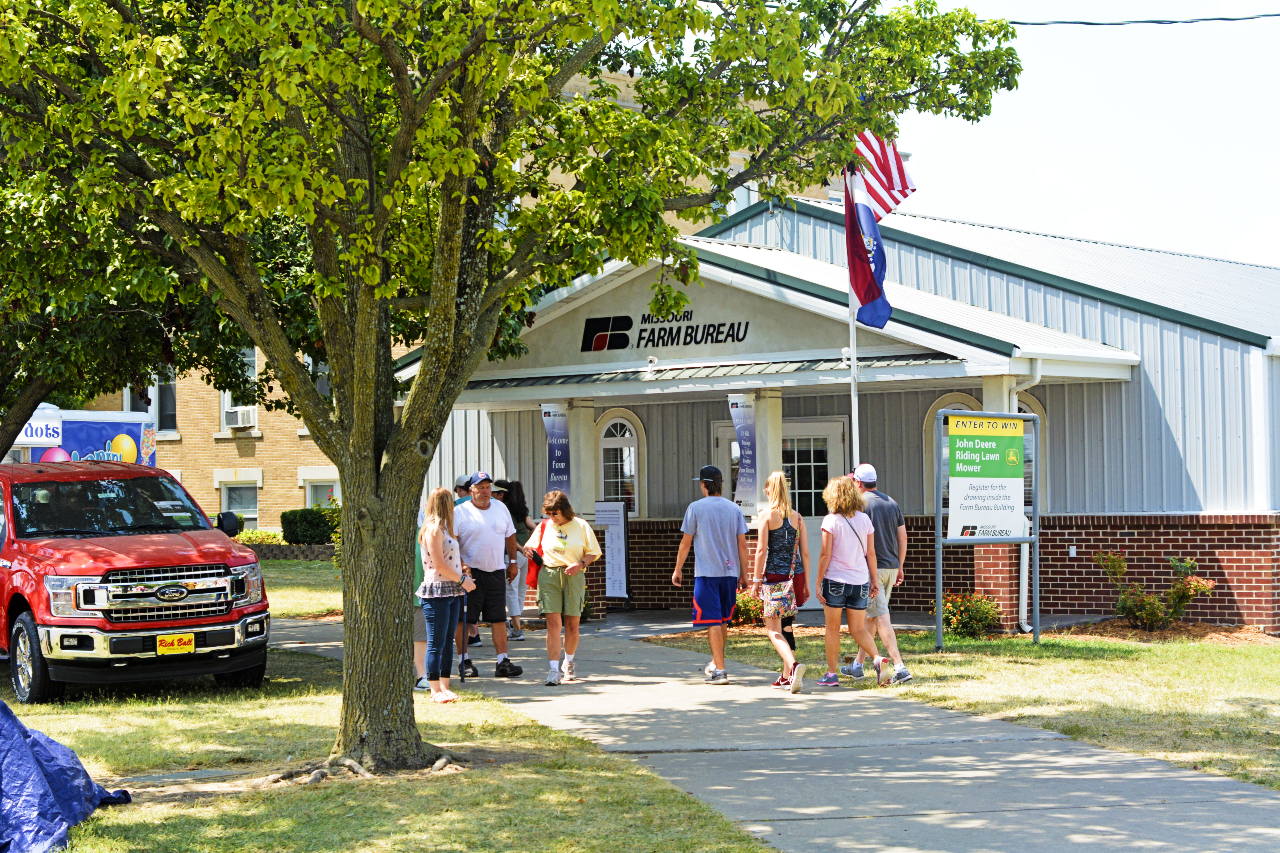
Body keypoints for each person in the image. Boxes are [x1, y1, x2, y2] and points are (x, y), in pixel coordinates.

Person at [672, 465, 749, 685]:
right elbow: (742, 546)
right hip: (730, 572)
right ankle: (717, 663)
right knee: (723, 620)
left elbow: (685, 543)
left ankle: (720, 671)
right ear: (721, 484)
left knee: (713, 621)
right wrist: (744, 574)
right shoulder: (734, 509)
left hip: (706, 574)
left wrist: (678, 569)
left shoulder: (695, 508)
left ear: (704, 485)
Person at [814, 476, 889, 687]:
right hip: (860, 581)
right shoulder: (864, 519)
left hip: (835, 580)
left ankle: (831, 674)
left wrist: (818, 581)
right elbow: (871, 554)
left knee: (832, 629)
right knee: (858, 629)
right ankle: (876, 658)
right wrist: (874, 580)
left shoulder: (831, 520)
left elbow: (825, 555)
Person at [842, 464, 913, 684]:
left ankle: (899, 667)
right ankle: (857, 666)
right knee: (871, 618)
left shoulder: (860, 505)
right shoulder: (891, 502)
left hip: (872, 571)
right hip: (891, 567)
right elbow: (903, 537)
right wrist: (900, 565)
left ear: (858, 483)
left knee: (881, 617)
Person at [522, 491, 600, 685]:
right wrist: (527, 550)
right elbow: (530, 546)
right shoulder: (545, 525)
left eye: (555, 513)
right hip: (549, 575)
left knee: (572, 625)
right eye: (548, 513)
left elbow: (593, 552)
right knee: (553, 624)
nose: (551, 517)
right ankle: (553, 669)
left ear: (565, 510)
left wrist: (580, 564)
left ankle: (569, 662)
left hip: (573, 575)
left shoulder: (581, 525)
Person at [454, 472, 523, 679]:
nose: (485, 492)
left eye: (487, 487)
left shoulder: (500, 508)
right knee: (464, 620)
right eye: (480, 487)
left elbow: (510, 536)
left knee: (499, 618)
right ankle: (463, 661)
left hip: (496, 570)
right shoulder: (460, 511)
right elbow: (452, 541)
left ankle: (502, 661)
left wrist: (512, 563)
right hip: (471, 574)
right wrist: (462, 565)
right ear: (471, 490)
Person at [748, 471, 808, 694]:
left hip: (774, 577)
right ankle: (785, 676)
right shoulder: (797, 517)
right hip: (795, 576)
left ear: (768, 489)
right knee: (787, 626)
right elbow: (806, 553)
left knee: (773, 630)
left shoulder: (766, 515)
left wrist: (755, 581)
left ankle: (792, 667)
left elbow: (762, 550)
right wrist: (808, 584)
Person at [415, 487, 476, 703]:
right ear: (445, 504)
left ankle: (445, 686)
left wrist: (463, 576)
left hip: (451, 589)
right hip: (436, 592)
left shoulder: (445, 529)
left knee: (449, 641)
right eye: (450, 503)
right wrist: (462, 580)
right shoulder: (432, 529)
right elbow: (439, 564)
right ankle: (434, 690)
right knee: (436, 642)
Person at [497, 479, 537, 641]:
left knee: (511, 591)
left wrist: (520, 548)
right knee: (521, 591)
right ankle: (516, 626)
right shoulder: (521, 509)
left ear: (501, 494)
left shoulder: (503, 510)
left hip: (513, 554)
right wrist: (530, 545)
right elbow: (534, 527)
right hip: (526, 556)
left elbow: (510, 537)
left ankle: (517, 630)